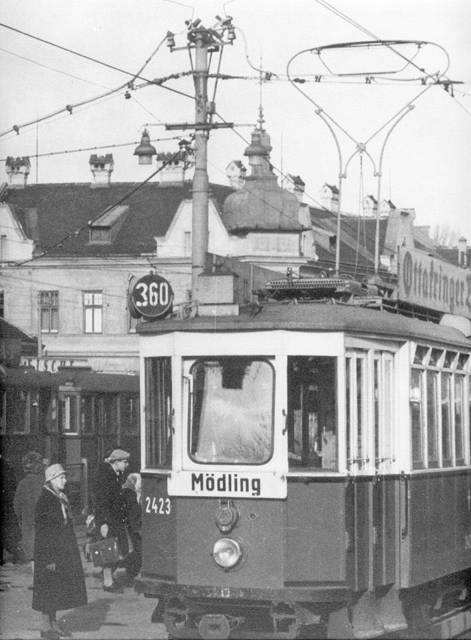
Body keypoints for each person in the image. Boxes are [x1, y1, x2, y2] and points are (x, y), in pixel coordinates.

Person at [33, 464, 87, 639]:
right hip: (49, 554)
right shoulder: (46, 499)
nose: (65, 480)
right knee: (48, 589)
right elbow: (44, 532)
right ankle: (45, 627)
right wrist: (49, 558)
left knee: (55, 588)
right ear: (52, 480)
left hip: (59, 552)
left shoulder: (58, 497)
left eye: (65, 477)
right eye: (61, 477)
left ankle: (53, 623)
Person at [93, 448, 131, 593]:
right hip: (109, 521)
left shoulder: (113, 475)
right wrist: (103, 523)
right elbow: (102, 502)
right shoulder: (106, 477)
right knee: (109, 550)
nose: (127, 465)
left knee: (117, 549)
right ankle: (108, 582)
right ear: (116, 462)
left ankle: (109, 577)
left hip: (114, 519)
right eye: (124, 462)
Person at [13, 451, 45, 586]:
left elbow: (16, 506)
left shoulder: (23, 484)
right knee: (46, 550)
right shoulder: (45, 481)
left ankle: (37, 580)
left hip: (29, 524)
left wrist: (21, 519)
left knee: (33, 553)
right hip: (45, 522)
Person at [122, 473, 142, 585]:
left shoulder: (127, 492)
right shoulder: (130, 495)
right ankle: (131, 575)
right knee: (135, 550)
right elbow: (133, 513)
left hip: (131, 526)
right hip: (133, 527)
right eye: (140, 483)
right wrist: (138, 529)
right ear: (133, 482)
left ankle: (131, 574)